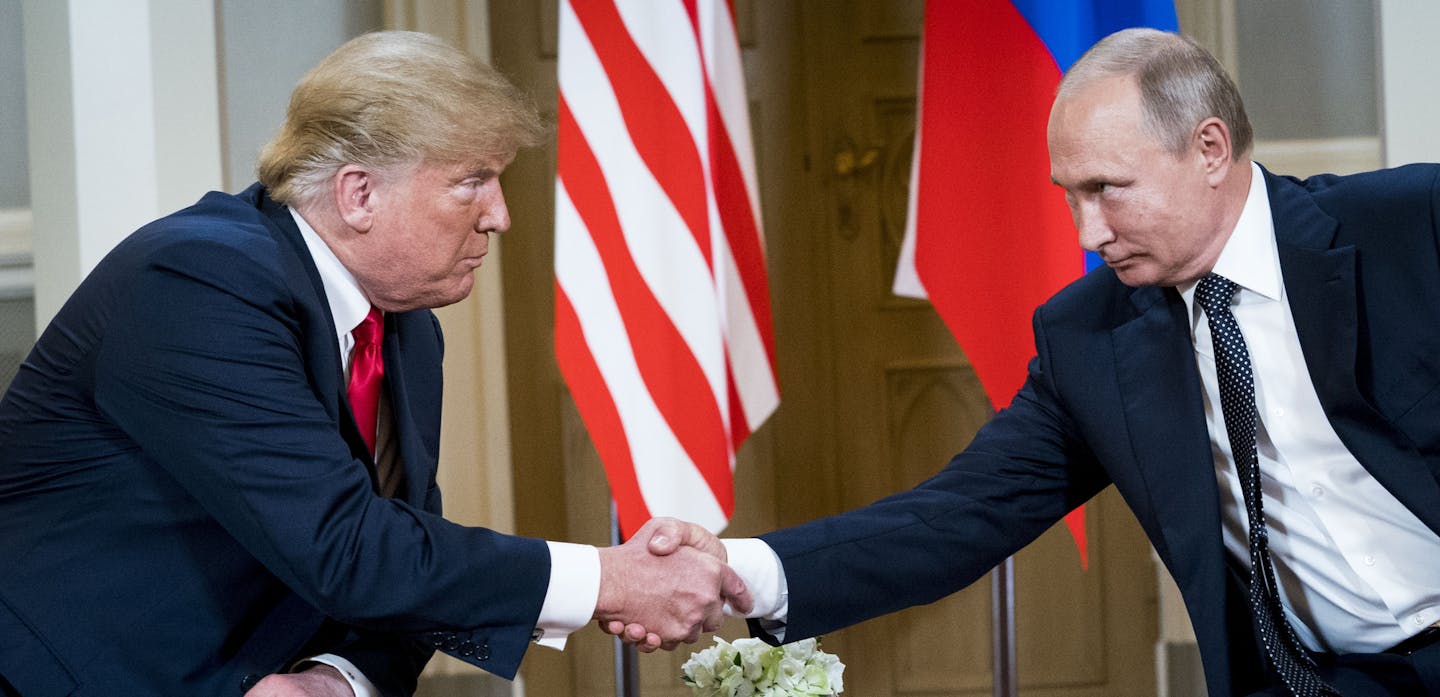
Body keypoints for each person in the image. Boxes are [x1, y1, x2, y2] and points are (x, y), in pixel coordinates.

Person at [621, 27, 1440, 697]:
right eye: (1069, 195)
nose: (1088, 233)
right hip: (1331, 681)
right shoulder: (1091, 337)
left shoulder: (1409, 230)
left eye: (1108, 189)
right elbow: (958, 514)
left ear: (1211, 148)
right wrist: (741, 570)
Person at [0, 31, 749, 697]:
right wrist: (609, 578)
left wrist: (340, 679)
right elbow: (347, 544)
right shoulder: (198, 279)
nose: (499, 213)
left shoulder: (405, 324)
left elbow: (402, 551)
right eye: (472, 181)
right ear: (358, 193)